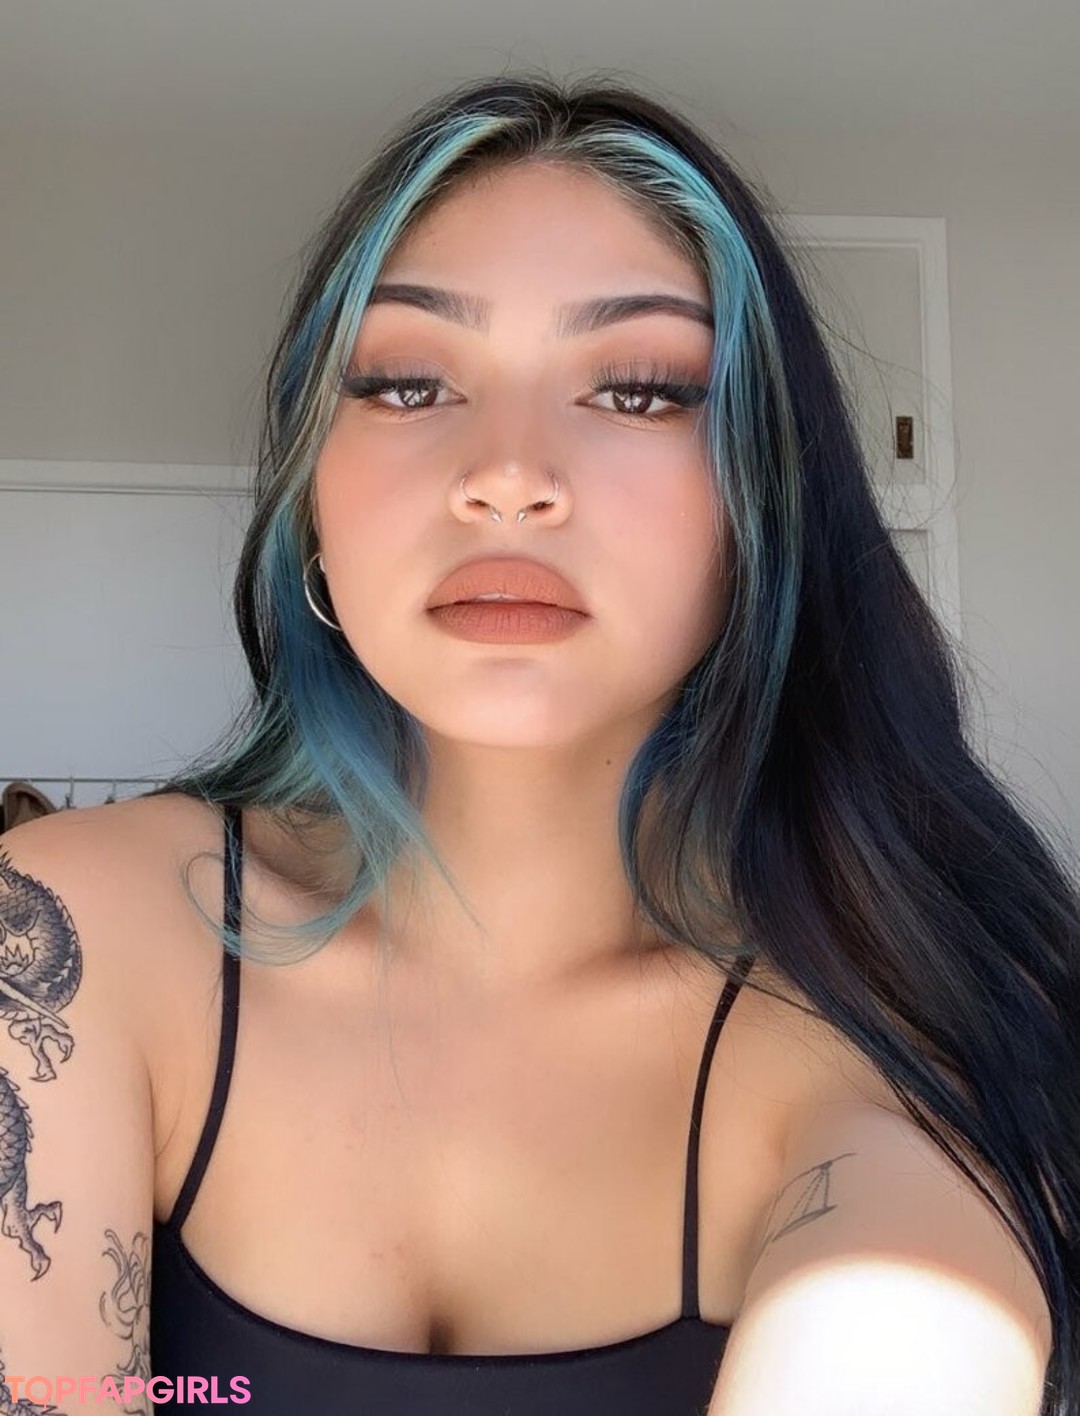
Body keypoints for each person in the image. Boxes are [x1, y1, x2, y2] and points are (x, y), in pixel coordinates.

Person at [1, 74, 1076, 1416]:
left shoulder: (898, 1041)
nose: (506, 475)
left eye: (638, 391)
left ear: (763, 503)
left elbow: (909, 1331)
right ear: (312, 501)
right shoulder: (68, 935)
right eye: (407, 383)